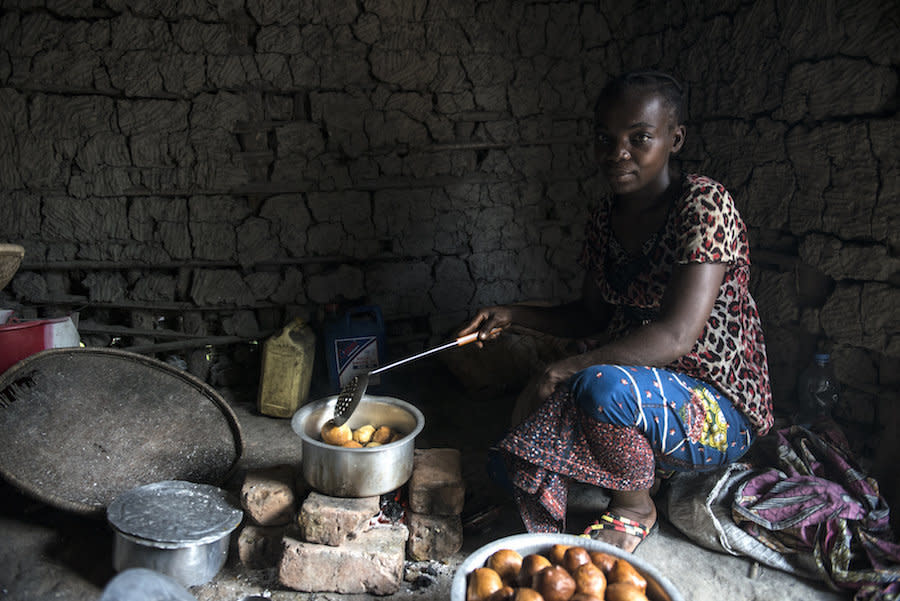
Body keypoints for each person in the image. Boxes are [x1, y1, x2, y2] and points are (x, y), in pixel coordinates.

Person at [458, 70, 773, 552]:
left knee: (597, 385)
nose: (617, 153)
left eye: (639, 138)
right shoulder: (605, 217)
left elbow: (675, 337)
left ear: (675, 139)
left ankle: (634, 507)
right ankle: (643, 469)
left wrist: (561, 370)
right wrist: (512, 314)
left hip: (714, 405)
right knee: (513, 462)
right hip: (631, 386)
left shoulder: (704, 205)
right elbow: (591, 317)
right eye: (605, 138)